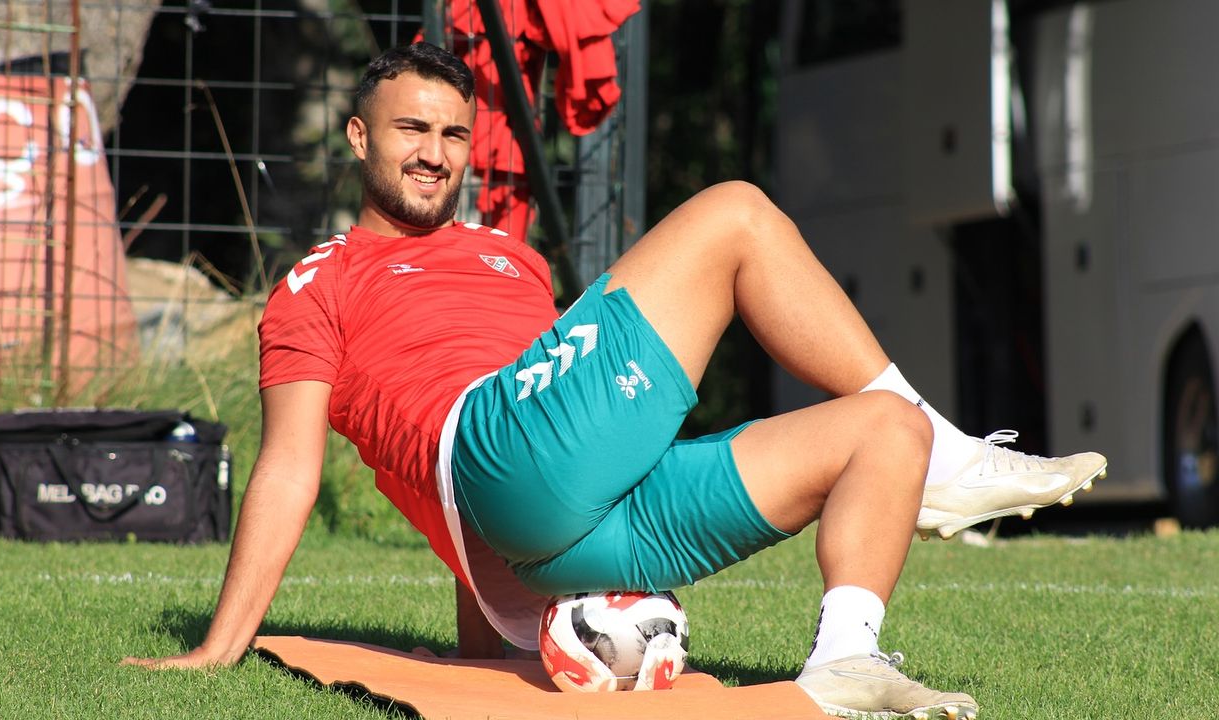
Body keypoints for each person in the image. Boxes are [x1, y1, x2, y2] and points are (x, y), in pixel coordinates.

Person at [125, 42, 1105, 719]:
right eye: (409, 129)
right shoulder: (319, 281)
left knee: (879, 428)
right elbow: (292, 467)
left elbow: (551, 413)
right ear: (357, 138)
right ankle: (951, 456)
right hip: (492, 459)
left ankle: (846, 655)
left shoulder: (514, 259)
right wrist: (221, 644)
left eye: (453, 136)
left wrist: (483, 651)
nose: (432, 153)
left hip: (566, 535)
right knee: (734, 214)